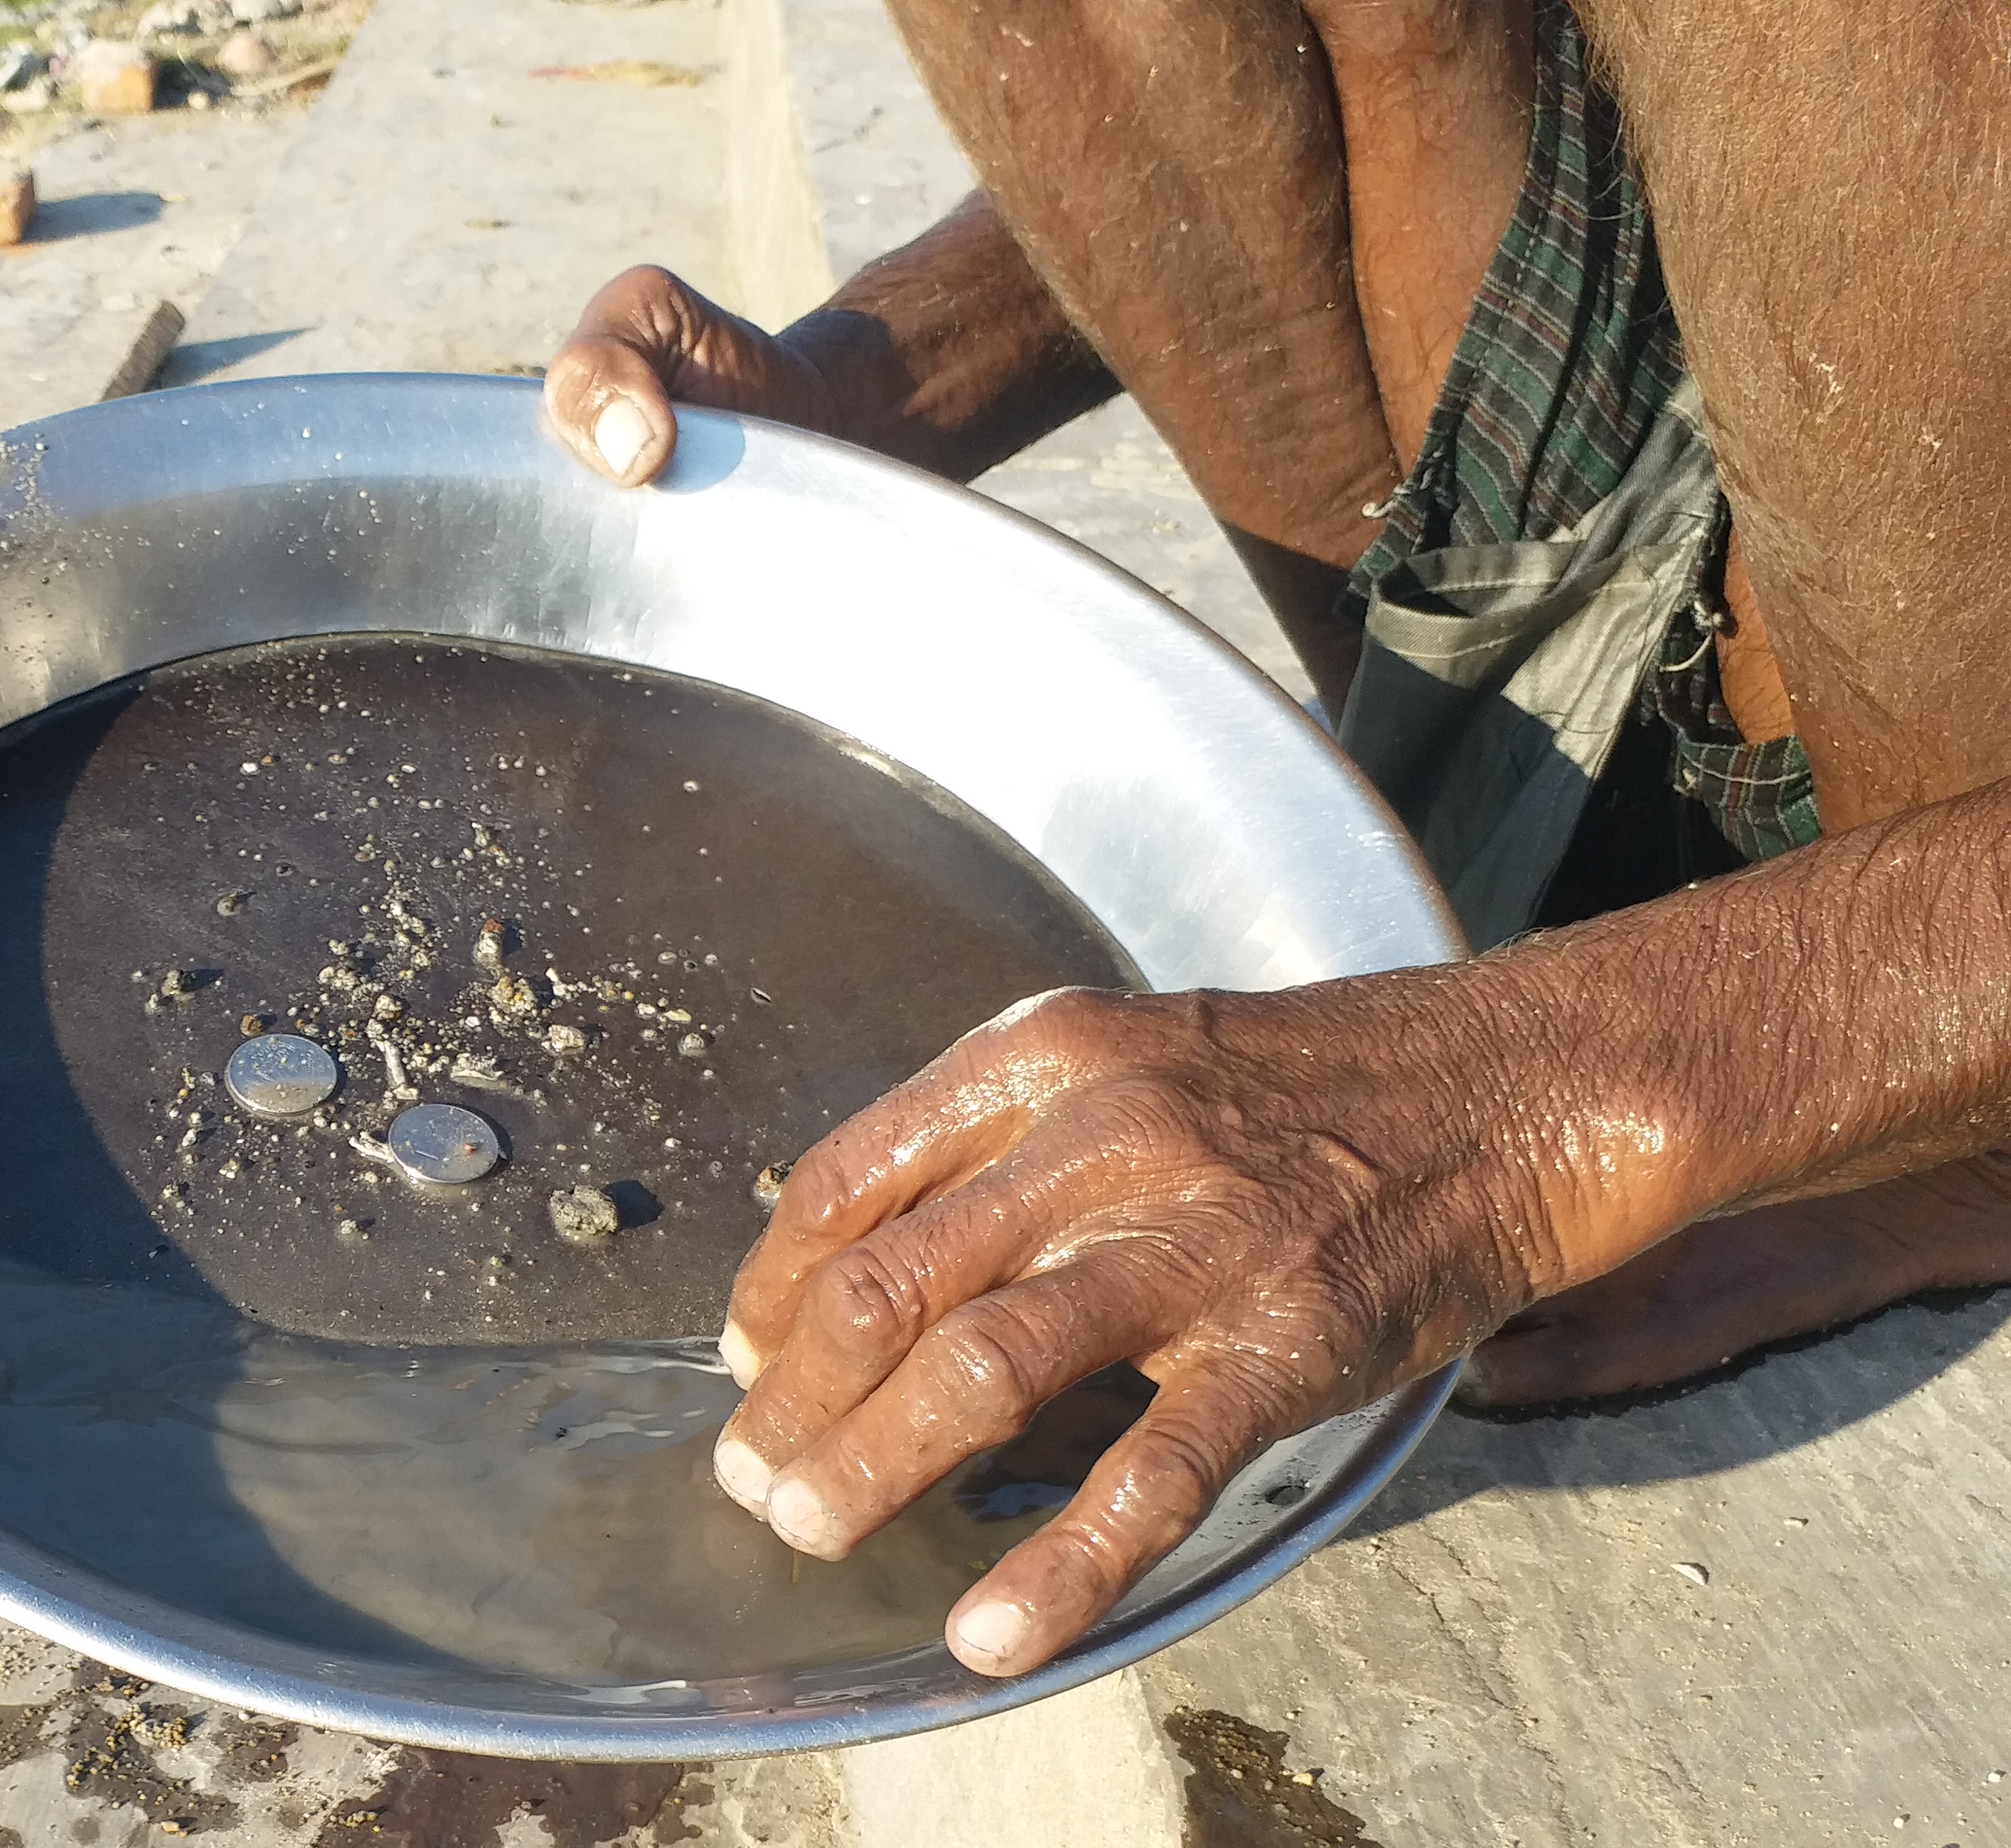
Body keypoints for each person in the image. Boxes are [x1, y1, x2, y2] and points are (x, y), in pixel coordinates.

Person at [538, 0, 2011, 1681]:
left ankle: (1965, 1145)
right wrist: (875, 374)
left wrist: (1557, 1095)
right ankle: (1453, 838)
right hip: (1676, 373)